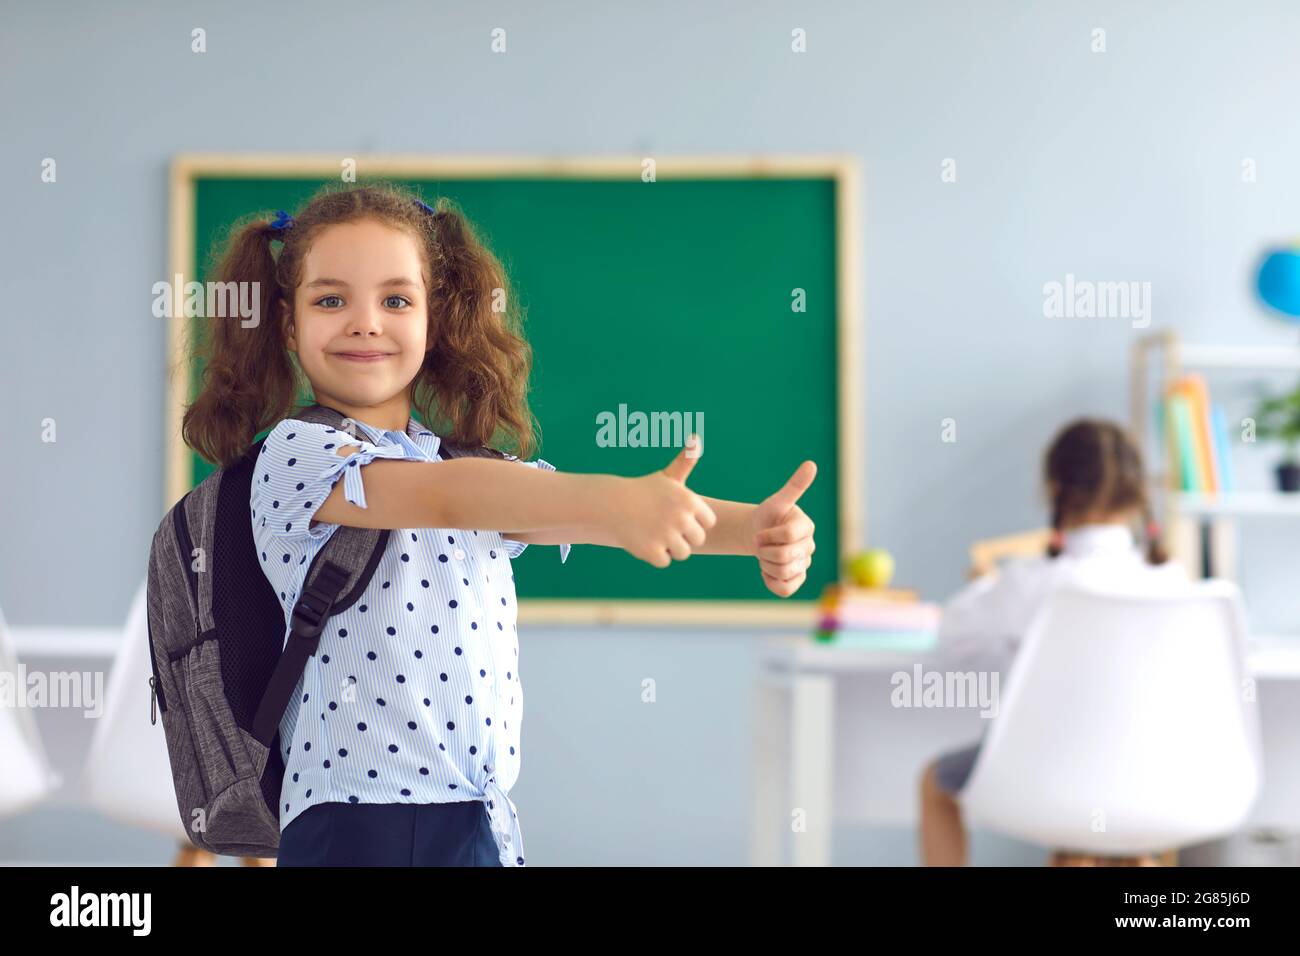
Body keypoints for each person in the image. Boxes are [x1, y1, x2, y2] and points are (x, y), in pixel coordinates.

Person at [181, 183, 817, 866]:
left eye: (396, 300)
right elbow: (448, 499)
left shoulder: (473, 468)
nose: (365, 321)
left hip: (479, 817)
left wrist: (755, 530)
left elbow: (557, 509)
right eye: (331, 300)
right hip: (357, 819)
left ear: (435, 319)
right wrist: (619, 501)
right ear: (286, 325)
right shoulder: (296, 455)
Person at [918, 418, 1189, 866]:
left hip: (1047, 782)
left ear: (1054, 488)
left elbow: (951, 638)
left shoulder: (1029, 582)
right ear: (1140, 493)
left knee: (935, 782)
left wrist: (987, 589)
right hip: (1150, 785)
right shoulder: (1173, 582)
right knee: (1105, 813)